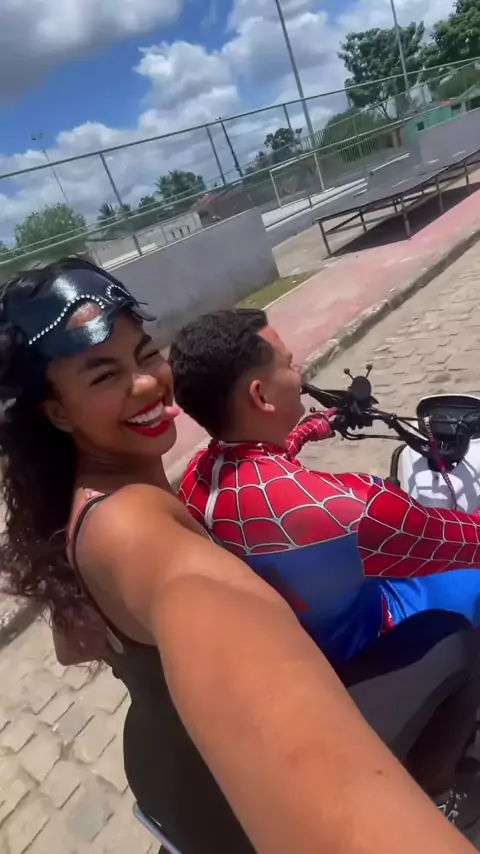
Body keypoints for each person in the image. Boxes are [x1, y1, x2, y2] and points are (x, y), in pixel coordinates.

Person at [1, 259, 474, 854]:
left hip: (164, 775)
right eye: (103, 375)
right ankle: (439, 790)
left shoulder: (96, 509)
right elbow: (326, 791)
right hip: (232, 814)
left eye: (145, 355)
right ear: (58, 411)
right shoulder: (146, 541)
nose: (146, 384)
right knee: (454, 634)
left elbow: (74, 647)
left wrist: (317, 425)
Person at [171, 308, 480, 670]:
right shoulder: (355, 508)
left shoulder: (197, 478)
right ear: (260, 396)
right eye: (289, 365)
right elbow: (469, 539)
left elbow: (264, 464)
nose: (299, 372)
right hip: (378, 633)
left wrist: (319, 424)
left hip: (302, 653)